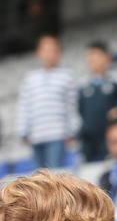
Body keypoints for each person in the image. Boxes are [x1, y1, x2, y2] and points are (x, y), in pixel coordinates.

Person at [16, 34, 78, 169]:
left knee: (54, 175)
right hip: (36, 136)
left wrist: (72, 131)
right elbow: (24, 105)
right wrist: (23, 131)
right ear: (39, 53)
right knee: (38, 178)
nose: (49, 54)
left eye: (53, 50)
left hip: (58, 134)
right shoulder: (30, 78)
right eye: (46, 50)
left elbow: (71, 106)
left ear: (59, 53)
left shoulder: (67, 76)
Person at [79, 42, 117, 163]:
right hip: (89, 140)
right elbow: (76, 111)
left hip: (111, 136)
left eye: (97, 56)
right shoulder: (82, 85)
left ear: (107, 58)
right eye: (90, 57)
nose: (93, 60)